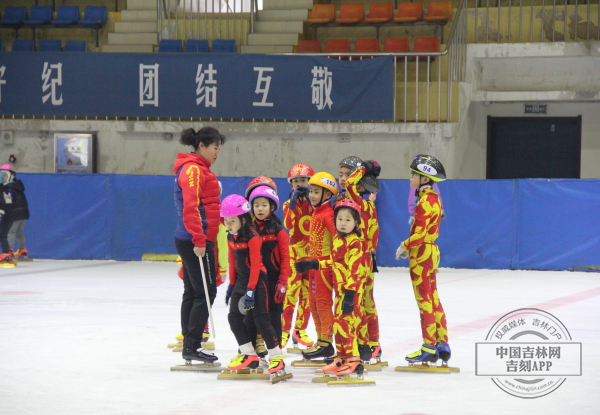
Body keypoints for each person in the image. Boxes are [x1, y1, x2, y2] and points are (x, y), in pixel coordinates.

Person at [296, 199, 369, 376]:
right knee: (338, 324)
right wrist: (314, 263)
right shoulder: (338, 241)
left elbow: (354, 270)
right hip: (340, 291)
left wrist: (351, 294)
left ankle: (353, 359)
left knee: (348, 323)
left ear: (356, 223)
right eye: (340, 219)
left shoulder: (355, 243)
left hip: (352, 291)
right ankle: (342, 357)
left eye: (348, 220)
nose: (343, 223)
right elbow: (334, 263)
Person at [173, 127, 224, 363]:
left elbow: (208, 206)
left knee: (193, 292)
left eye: (219, 148)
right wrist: (200, 240)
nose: (217, 152)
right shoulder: (193, 169)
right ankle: (192, 345)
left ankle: (189, 343)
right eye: (215, 147)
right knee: (205, 292)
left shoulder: (198, 168)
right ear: (201, 146)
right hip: (196, 240)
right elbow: (190, 207)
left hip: (195, 238)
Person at [221, 194, 286, 376]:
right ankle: (249, 354)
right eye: (226, 220)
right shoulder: (231, 236)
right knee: (233, 317)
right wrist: (232, 285)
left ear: (243, 219)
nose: (228, 224)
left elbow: (257, 265)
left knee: (261, 319)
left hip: (258, 282)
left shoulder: (253, 236)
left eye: (232, 221)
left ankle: (276, 357)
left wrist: (250, 291)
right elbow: (233, 261)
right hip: (242, 282)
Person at [395, 155, 450, 364]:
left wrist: (404, 246)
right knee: (433, 298)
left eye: (413, 174)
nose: (410, 178)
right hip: (432, 251)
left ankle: (428, 346)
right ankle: (442, 342)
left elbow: (418, 235)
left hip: (421, 253)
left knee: (424, 300)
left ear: (424, 179)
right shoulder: (434, 199)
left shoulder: (425, 202)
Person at [345, 160, 383, 362]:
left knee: (357, 304)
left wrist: (362, 168)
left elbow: (348, 183)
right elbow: (375, 233)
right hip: (368, 258)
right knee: (368, 302)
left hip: (357, 259)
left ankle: (362, 345)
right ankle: (373, 343)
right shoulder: (370, 206)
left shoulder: (357, 203)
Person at [301, 172, 338, 360]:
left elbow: (338, 243)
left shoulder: (328, 215)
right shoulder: (316, 213)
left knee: (323, 304)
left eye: (316, 192)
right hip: (313, 266)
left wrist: (325, 262)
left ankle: (327, 342)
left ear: (328, 195)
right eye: (311, 192)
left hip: (323, 267)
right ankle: (321, 340)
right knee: (313, 304)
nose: (312, 196)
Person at [248, 185, 290, 346]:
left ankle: (276, 350)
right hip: (256, 280)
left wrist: (283, 281)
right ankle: (255, 347)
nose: (260, 208)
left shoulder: (278, 230)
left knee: (274, 316)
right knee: (254, 315)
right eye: (256, 205)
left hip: (274, 281)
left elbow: (286, 258)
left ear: (272, 207)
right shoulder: (249, 229)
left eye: (264, 205)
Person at [281, 163, 315, 348]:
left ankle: (300, 329)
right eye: (296, 181)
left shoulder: (315, 204)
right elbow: (289, 225)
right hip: (294, 257)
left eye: (304, 180)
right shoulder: (288, 204)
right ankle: (284, 330)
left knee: (308, 295)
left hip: (310, 257)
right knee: (291, 294)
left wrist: (310, 202)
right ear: (291, 185)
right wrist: (294, 203)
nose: (300, 184)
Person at [3, 165, 29, 259]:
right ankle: (23, 249)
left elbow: (9, 201)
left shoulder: (9, 187)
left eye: (5, 174)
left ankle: (9, 251)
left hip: (16, 213)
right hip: (23, 213)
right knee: (18, 231)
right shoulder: (17, 185)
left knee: (11, 231)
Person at [0, 165, 15, 264]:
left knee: (2, 235)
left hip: (5, 214)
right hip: (10, 215)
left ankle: (6, 254)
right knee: (3, 234)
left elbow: (2, 203)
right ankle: (8, 252)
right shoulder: (6, 188)